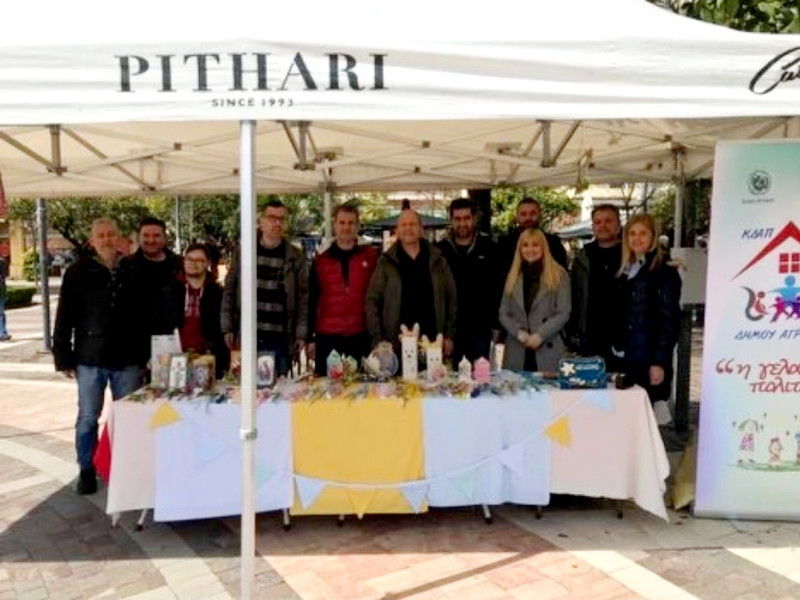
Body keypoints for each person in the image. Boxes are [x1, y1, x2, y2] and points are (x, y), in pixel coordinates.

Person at [53, 217, 144, 495]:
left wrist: (147, 355)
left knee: (127, 418)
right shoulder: (77, 272)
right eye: (101, 235)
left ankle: (124, 468)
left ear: (119, 238)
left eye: (111, 234)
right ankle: (86, 469)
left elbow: (145, 317)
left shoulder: (133, 269)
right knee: (88, 417)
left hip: (127, 358)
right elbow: (64, 317)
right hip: (89, 358)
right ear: (92, 240)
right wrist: (63, 357)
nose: (106, 239)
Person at [221, 200, 308, 377]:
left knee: (279, 389)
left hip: (281, 339)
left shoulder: (295, 257)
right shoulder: (244, 252)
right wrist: (227, 327)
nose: (277, 223)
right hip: (247, 336)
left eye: (281, 219)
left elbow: (303, 298)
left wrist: (301, 334)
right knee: (244, 385)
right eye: (271, 217)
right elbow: (229, 290)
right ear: (260, 221)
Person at [611, 213, 681, 408]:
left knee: (642, 418)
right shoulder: (624, 270)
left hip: (646, 359)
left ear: (653, 237)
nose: (637, 238)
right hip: (623, 359)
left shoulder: (663, 272)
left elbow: (669, 323)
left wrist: (659, 362)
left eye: (643, 233)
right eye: (632, 233)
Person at [366, 209, 457, 356]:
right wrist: (378, 339)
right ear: (397, 230)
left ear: (421, 228)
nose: (408, 228)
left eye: (413, 224)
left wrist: (449, 335)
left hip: (433, 343)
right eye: (403, 225)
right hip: (395, 346)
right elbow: (372, 301)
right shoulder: (385, 262)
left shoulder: (438, 260)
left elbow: (452, 299)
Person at [307, 203, 378, 375]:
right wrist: (309, 338)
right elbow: (311, 299)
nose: (346, 227)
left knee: (361, 388)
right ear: (334, 225)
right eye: (342, 222)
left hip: (360, 337)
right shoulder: (321, 260)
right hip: (328, 338)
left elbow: (377, 298)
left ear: (358, 226)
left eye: (351, 223)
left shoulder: (371, 257)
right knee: (326, 389)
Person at [435, 198, 501, 364]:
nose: (462, 223)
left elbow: (498, 290)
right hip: (450, 332)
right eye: (457, 219)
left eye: (466, 218)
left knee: (481, 377)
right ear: (451, 220)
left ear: (474, 218)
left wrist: (496, 325)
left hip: (481, 329)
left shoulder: (490, 248)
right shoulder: (440, 251)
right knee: (448, 378)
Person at [499, 228, 571, 372]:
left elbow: (563, 312)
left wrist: (540, 335)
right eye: (525, 245)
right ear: (519, 249)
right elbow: (503, 312)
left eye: (535, 245)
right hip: (518, 347)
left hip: (548, 345)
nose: (530, 250)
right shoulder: (513, 275)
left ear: (543, 247)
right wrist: (519, 333)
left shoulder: (559, 274)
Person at [123, 217, 183, 367]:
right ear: (139, 238)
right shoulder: (126, 266)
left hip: (171, 344)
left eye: (156, 235)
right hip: (133, 349)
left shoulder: (179, 265)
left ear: (164, 238)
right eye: (146, 235)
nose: (151, 240)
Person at [568, 203, 623, 365]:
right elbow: (574, 297)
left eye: (608, 221)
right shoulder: (582, 258)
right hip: (589, 339)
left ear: (618, 225)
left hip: (622, 340)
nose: (602, 226)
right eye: (598, 222)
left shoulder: (631, 256)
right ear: (593, 227)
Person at [173, 242, 229, 377]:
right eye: (189, 259)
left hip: (209, 360)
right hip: (176, 361)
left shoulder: (218, 294)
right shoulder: (170, 291)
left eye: (199, 260)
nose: (193, 263)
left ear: (208, 263)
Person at [499, 197, 568, 272]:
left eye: (533, 214)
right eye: (523, 214)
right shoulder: (506, 244)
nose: (528, 218)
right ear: (517, 217)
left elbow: (561, 272)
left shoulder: (553, 243)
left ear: (540, 216)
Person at [0, 255, 10, 341]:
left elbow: (3, 277)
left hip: (1, 292)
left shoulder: (2, 262)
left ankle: (3, 333)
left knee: (1, 313)